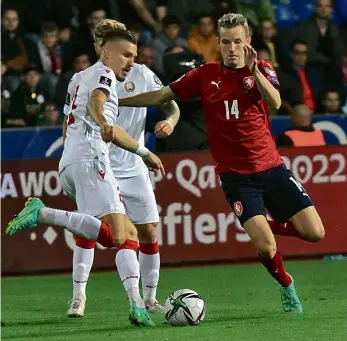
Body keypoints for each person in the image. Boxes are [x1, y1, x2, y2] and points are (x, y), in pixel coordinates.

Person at [119, 13, 326, 313]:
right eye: (226, 42)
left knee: (315, 233)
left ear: (248, 42)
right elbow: (161, 95)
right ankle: (286, 285)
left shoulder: (261, 69)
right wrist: (117, 100)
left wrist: (254, 70)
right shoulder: (204, 75)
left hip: (272, 168)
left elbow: (276, 102)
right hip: (237, 177)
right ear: (218, 43)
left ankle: (262, 226)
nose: (232, 48)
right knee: (266, 247)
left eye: (237, 42)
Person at [6, 27, 165, 327]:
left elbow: (68, 126)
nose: (130, 62)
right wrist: (136, 147)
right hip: (92, 160)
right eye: (126, 55)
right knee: (121, 235)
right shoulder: (104, 74)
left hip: (69, 164)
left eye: (133, 56)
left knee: (120, 234)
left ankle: (137, 304)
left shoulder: (77, 78)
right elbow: (96, 103)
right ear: (107, 52)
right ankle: (43, 212)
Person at [66, 19, 179, 318]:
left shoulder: (140, 74)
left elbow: (170, 101)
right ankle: (79, 296)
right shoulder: (89, 76)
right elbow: (92, 106)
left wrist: (170, 120)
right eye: (98, 39)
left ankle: (149, 298)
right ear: (102, 48)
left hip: (131, 165)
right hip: (100, 162)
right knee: (95, 231)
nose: (130, 59)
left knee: (148, 231)